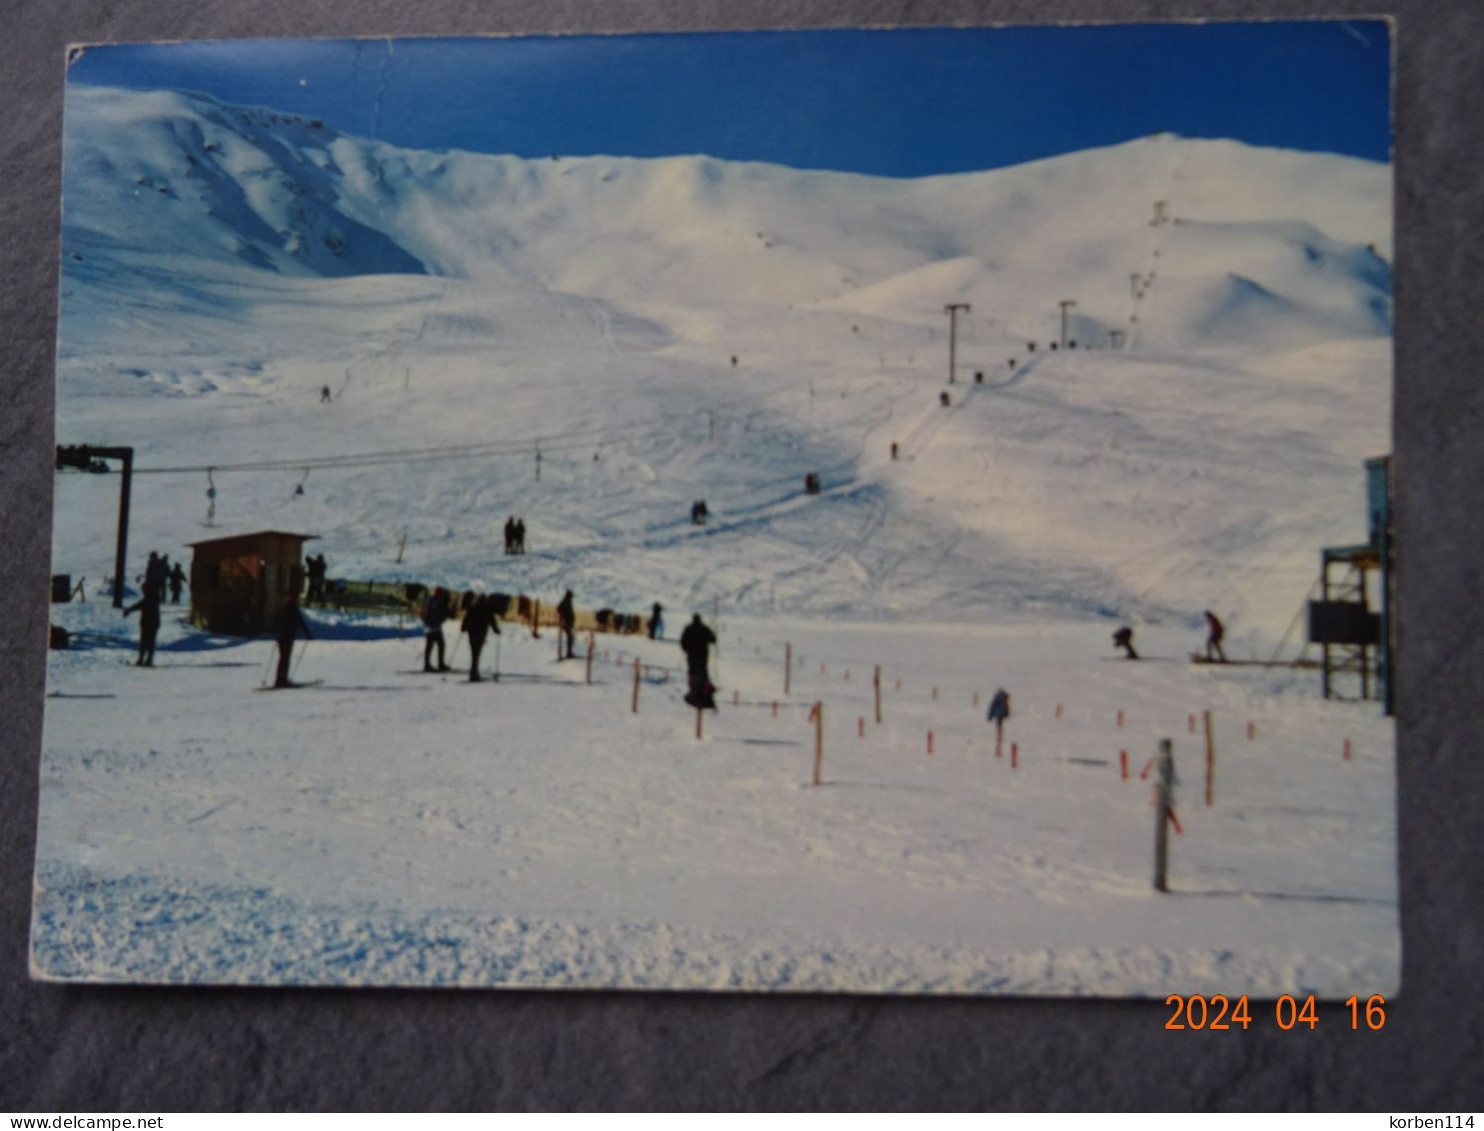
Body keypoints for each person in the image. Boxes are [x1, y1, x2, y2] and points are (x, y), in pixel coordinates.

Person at [272, 591, 313, 688]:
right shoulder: (293, 609)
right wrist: (307, 633)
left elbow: (275, 621)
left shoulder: (281, 608)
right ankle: (283, 680)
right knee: (285, 658)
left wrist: (276, 632)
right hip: (288, 636)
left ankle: (279, 680)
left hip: (281, 636)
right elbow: (300, 622)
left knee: (283, 658)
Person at [680, 613, 718, 710]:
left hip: (691, 655)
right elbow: (713, 640)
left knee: (692, 673)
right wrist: (714, 633)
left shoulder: (688, 628)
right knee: (702, 673)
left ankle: (693, 692)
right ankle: (704, 693)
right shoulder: (704, 628)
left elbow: (683, 641)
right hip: (702, 656)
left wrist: (686, 649)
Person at [122, 577, 163, 667]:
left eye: (144, 589)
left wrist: (129, 610)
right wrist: (129, 610)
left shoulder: (151, 598)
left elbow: (140, 605)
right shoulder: (153, 597)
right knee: (148, 642)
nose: (143, 591)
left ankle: (144, 660)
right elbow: (141, 604)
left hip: (149, 623)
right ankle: (146, 660)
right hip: (150, 623)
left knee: (146, 642)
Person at [460, 594, 500, 682]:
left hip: (472, 633)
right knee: (476, 654)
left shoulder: (473, 607)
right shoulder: (487, 609)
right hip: (480, 634)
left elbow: (466, 619)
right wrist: (497, 631)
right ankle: (474, 674)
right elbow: (492, 621)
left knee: (474, 653)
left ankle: (474, 673)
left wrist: (463, 628)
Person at [423, 586, 452, 672]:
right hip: (434, 626)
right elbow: (442, 613)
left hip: (430, 625)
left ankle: (428, 664)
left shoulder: (432, 600)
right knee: (440, 645)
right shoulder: (438, 602)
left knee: (430, 645)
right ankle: (440, 664)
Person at [987, 688, 1011, 756]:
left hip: (999, 715)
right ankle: (999, 738)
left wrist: (990, 716)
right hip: (999, 715)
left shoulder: (1000, 698)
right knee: (999, 727)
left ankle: (999, 737)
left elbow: (992, 706)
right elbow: (993, 706)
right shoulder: (1002, 698)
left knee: (999, 727)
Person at [557, 589, 577, 660]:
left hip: (569, 622)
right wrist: (564, 616)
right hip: (567, 623)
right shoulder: (565, 602)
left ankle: (569, 652)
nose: (571, 598)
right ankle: (569, 653)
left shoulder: (567, 602)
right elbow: (558, 609)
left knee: (571, 637)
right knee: (570, 637)